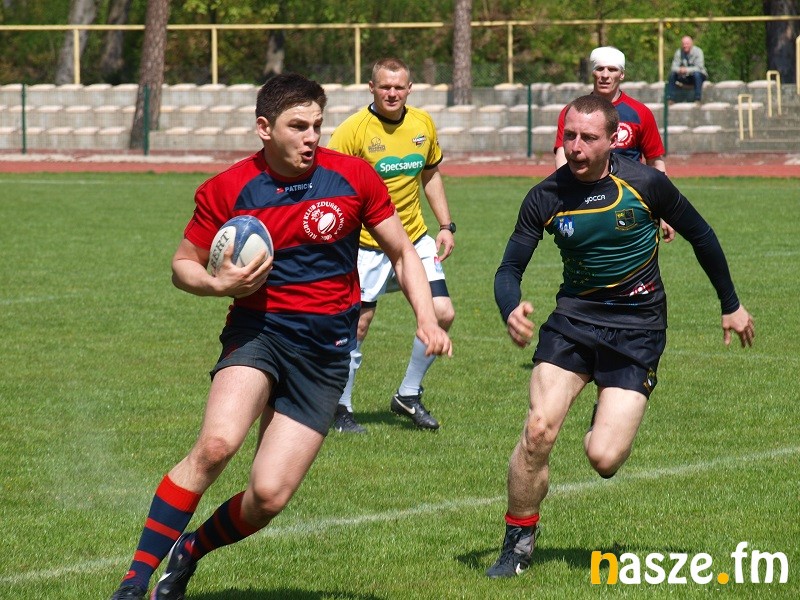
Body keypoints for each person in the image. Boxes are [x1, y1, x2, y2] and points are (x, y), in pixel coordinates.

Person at [109, 73, 452, 600]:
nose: (312, 137)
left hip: (326, 351)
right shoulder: (228, 188)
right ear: (264, 128)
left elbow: (403, 252)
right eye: (298, 126)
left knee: (268, 496)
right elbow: (182, 265)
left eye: (317, 125)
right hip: (260, 333)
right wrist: (216, 284)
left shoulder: (353, 177)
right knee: (217, 445)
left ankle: (191, 549)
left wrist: (425, 318)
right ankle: (134, 582)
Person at [487, 94, 754, 579]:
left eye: (588, 138)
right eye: (570, 135)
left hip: (638, 328)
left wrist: (730, 304)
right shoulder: (545, 196)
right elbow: (509, 268)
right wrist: (511, 308)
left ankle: (605, 405)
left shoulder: (646, 183)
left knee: (604, 458)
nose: (576, 147)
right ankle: (518, 540)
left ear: (614, 139)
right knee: (538, 430)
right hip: (573, 321)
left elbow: (701, 234)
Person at [326, 57, 456, 433]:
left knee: (442, 313)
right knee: (358, 326)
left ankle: (408, 395)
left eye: (399, 87)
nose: (392, 93)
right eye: (385, 86)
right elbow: (330, 187)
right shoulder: (352, 132)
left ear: (409, 89)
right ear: (372, 88)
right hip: (366, 245)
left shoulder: (422, 124)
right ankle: (340, 406)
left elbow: (430, 174)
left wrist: (445, 226)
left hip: (413, 239)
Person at [553, 46, 675, 242]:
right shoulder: (572, 112)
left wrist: (666, 209)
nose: (605, 75)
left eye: (612, 69)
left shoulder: (640, 113)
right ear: (592, 72)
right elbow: (562, 155)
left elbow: (655, 162)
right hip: (585, 201)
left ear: (622, 74)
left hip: (631, 202)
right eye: (599, 69)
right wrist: (566, 193)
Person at [666, 35, 708, 104]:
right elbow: (673, 67)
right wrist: (680, 70)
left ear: (691, 44)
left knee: (697, 74)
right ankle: (670, 99)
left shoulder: (698, 51)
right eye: (683, 44)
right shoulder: (678, 52)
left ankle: (698, 99)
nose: (685, 46)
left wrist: (686, 70)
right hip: (684, 76)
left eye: (687, 44)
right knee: (672, 75)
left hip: (698, 76)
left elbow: (699, 67)